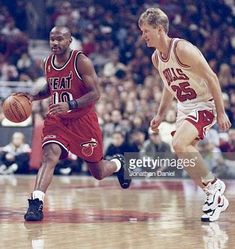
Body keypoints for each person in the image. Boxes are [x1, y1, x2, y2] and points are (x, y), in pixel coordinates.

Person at [15, 26, 131, 221]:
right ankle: (36, 202)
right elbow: (51, 87)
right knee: (49, 155)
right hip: (57, 119)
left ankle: (119, 163)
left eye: (59, 39)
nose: (55, 43)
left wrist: (70, 104)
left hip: (82, 120)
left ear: (69, 41)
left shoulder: (81, 61)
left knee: (99, 172)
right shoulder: (48, 62)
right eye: (52, 39)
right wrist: (33, 96)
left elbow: (95, 94)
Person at [138, 8, 231, 222]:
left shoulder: (183, 49)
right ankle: (213, 195)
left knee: (179, 144)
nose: (143, 35)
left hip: (203, 104)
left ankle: (215, 187)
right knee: (184, 154)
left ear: (159, 29)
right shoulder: (155, 58)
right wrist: (160, 114)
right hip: (184, 107)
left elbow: (212, 77)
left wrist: (221, 111)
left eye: (145, 31)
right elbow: (169, 86)